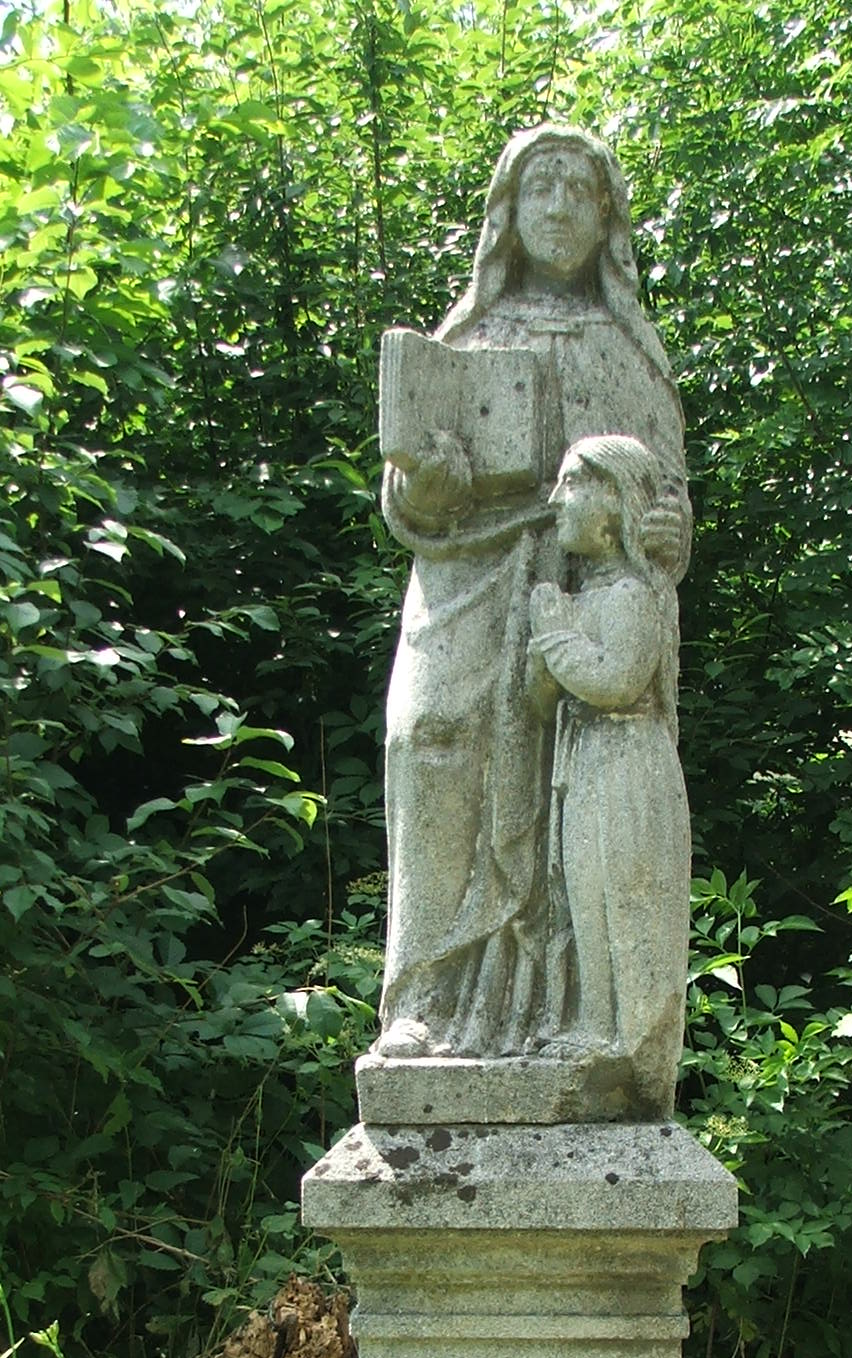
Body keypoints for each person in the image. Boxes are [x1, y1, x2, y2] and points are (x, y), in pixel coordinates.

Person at [376, 124, 690, 1060]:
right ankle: (424, 997)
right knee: (424, 738)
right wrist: (424, 480)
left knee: (576, 792)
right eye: (538, 189)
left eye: (577, 190)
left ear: (607, 217)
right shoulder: (463, 336)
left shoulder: (627, 349)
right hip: (466, 586)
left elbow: (664, 496)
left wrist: (666, 530)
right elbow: (407, 494)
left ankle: (566, 1017)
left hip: (580, 597)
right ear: (506, 215)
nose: (557, 208)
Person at [528, 436, 689, 1114]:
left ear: (612, 504)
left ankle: (629, 1038)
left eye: (572, 484)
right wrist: (548, 647)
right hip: (586, 763)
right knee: (584, 896)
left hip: (630, 768)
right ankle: (594, 1021)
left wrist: (557, 638)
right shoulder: (582, 597)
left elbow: (618, 681)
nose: (555, 500)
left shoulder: (633, 595)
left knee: (625, 899)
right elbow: (540, 700)